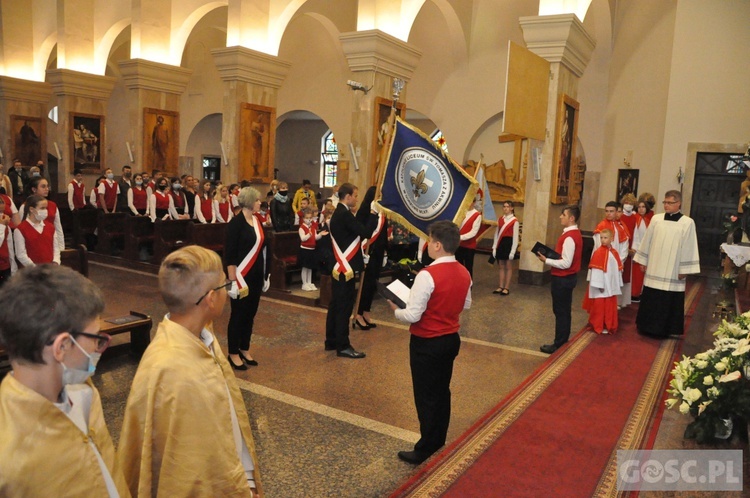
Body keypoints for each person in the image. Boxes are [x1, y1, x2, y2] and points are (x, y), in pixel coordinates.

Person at [117, 246, 263, 496]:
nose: (227, 292)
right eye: (224, 285)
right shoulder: (169, 367)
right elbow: (183, 467)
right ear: (210, 298)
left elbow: (226, 416)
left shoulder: (204, 337)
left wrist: (246, 478)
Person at [0, 264, 129, 496]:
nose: (98, 347)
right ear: (62, 347)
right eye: (95, 337)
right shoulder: (10, 461)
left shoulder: (85, 393)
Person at [388, 220, 472, 465]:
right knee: (441, 391)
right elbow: (466, 304)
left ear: (436, 245)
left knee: (425, 395)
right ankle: (438, 439)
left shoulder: (428, 274)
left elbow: (413, 315)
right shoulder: (464, 271)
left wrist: (396, 309)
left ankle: (425, 447)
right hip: (450, 339)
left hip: (427, 341)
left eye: (428, 240)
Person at [634, 190, 700, 338]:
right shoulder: (656, 219)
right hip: (654, 266)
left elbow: (689, 246)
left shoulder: (687, 223)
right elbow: (647, 240)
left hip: (673, 269)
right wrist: (643, 260)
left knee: (667, 299)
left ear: (679, 203)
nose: (666, 205)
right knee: (651, 297)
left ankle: (665, 329)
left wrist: (684, 269)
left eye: (670, 203)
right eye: (665, 202)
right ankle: (645, 326)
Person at [325, 183, 378, 358]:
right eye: (355, 195)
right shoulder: (343, 215)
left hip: (339, 268)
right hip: (344, 268)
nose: (356, 198)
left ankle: (331, 340)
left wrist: (371, 194)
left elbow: (359, 220)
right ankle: (343, 346)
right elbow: (366, 231)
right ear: (347, 196)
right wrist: (375, 214)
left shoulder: (342, 213)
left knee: (335, 305)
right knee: (344, 308)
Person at [225, 187, 270, 369]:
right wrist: (232, 280)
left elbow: (265, 248)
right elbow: (229, 253)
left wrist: (267, 274)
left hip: (256, 275)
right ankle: (233, 352)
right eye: (258, 200)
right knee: (238, 315)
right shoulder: (236, 224)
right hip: (240, 277)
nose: (260, 203)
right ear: (250, 202)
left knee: (250, 314)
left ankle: (245, 348)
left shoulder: (258, 221)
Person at [538, 205, 583, 354]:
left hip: (563, 279)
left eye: (563, 215)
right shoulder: (573, 234)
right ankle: (562, 340)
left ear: (571, 218)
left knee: (561, 311)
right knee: (563, 311)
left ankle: (559, 343)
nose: (560, 217)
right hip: (566, 278)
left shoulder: (570, 237)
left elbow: (566, 263)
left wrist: (546, 260)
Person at [354, 186, 386, 329]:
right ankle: (358, 313)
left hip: (378, 252)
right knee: (365, 283)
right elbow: (362, 231)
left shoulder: (383, 213)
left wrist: (385, 252)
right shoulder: (365, 211)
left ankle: (366, 311)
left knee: (372, 284)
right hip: (367, 251)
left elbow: (383, 234)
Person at [582, 229, 623, 335]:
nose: (603, 240)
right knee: (600, 307)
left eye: (605, 238)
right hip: (602, 285)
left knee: (609, 306)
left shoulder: (614, 253)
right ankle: (598, 325)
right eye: (601, 238)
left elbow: (617, 269)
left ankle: (608, 324)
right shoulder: (598, 253)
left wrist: (617, 283)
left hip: (611, 284)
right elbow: (596, 270)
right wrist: (599, 285)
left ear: (611, 238)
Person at [592, 201, 630, 307]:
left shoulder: (620, 226)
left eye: (611, 211)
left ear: (616, 212)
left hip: (616, 263)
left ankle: (611, 309)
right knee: (602, 290)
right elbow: (598, 247)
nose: (609, 213)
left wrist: (619, 261)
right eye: (607, 211)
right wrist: (607, 262)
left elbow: (624, 246)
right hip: (603, 263)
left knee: (613, 287)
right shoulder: (601, 226)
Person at [14, 195, 60, 267]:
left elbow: (56, 248)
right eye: (42, 208)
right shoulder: (20, 229)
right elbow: (21, 254)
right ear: (32, 209)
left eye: (46, 208)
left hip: (50, 269)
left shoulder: (50, 227)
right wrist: (35, 269)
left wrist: (56, 261)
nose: (45, 211)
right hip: (31, 271)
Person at [21, 177, 65, 251]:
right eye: (43, 186)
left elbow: (58, 228)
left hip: (50, 241)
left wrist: (61, 247)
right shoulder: (25, 206)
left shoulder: (53, 206)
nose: (47, 189)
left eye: (47, 186)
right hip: (33, 244)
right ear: (34, 189)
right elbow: (22, 228)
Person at [490, 200, 519, 295]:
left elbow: (515, 237)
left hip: (509, 244)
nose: (505, 208)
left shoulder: (515, 221)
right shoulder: (500, 219)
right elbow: (496, 234)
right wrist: (494, 247)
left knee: (508, 267)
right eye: (504, 206)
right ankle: (500, 286)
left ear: (512, 208)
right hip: (500, 243)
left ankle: (506, 287)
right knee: (501, 266)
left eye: (507, 206)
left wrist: (513, 251)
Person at [298, 207, 326, 291]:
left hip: (312, 249)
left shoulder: (313, 228)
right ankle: (304, 283)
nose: (309, 220)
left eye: (310, 218)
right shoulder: (301, 228)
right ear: (303, 219)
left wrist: (320, 234)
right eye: (307, 218)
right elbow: (302, 238)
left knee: (310, 267)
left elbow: (315, 237)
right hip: (305, 249)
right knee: (305, 267)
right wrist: (308, 235)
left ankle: (309, 282)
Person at [630, 198, 653, 302]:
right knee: (636, 274)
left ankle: (639, 292)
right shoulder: (635, 218)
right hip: (637, 250)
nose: (641, 209)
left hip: (645, 250)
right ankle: (634, 293)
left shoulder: (647, 220)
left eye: (643, 207)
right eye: (639, 207)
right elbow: (635, 236)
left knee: (642, 274)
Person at [455, 197, 482, 277]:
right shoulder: (462, 213)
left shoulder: (477, 215)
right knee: (458, 267)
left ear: (473, 203)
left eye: (469, 201)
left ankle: (469, 287)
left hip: (469, 246)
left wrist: (460, 237)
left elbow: (473, 232)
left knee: (468, 268)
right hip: (459, 245)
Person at [619, 193, 638, 302]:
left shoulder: (635, 218)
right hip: (622, 248)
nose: (628, 205)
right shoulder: (620, 216)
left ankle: (624, 300)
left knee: (626, 276)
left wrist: (633, 249)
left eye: (631, 203)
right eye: (626, 203)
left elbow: (636, 234)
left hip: (630, 249)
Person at [0, 195, 17, 286]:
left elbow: (9, 247)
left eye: (2, 202)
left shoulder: (5, 223)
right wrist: (2, 226)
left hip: (5, 266)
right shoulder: (3, 224)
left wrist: (13, 268)